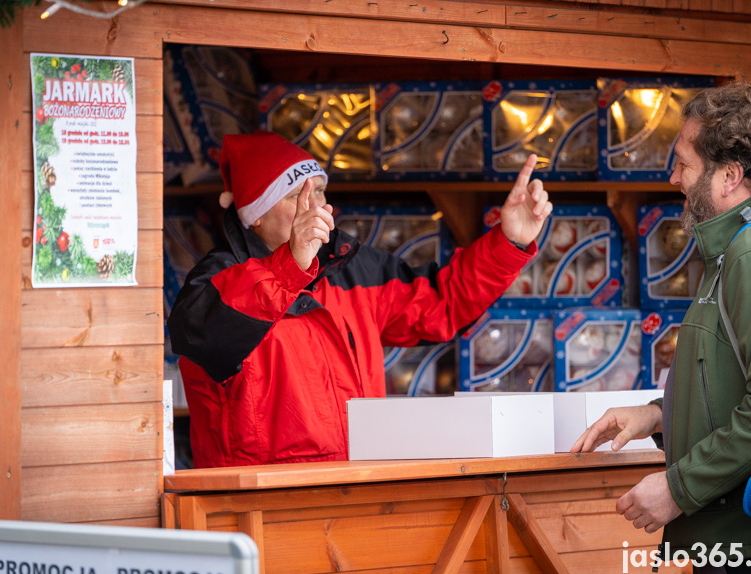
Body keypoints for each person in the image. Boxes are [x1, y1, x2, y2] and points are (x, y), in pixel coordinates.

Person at [168, 130, 552, 468]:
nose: (315, 206)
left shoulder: (350, 266)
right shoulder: (217, 281)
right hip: (264, 511)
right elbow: (206, 337)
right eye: (296, 197)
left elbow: (442, 302)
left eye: (319, 191)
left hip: (362, 492)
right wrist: (290, 265)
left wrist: (510, 242)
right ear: (256, 217)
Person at [572, 82, 751, 571]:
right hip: (744, 536)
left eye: (684, 165)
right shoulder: (738, 246)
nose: (673, 178)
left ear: (729, 175)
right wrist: (656, 415)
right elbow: (733, 379)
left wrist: (678, 486)